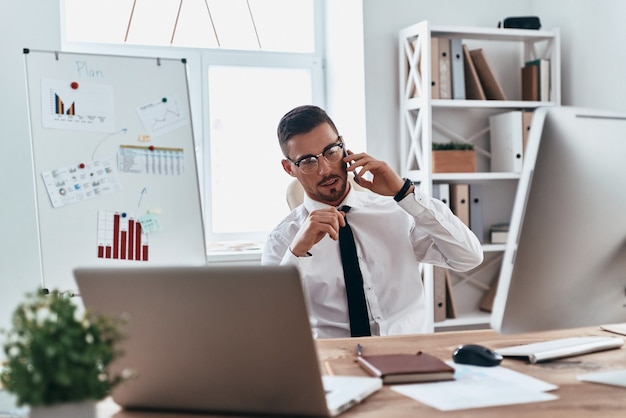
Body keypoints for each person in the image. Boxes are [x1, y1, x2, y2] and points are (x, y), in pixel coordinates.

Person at [261, 105, 483, 338]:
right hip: (335, 363)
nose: (325, 169)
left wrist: (405, 192)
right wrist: (298, 252)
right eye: (307, 161)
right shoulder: (283, 239)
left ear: (344, 147)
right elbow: (271, 319)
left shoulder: (397, 211)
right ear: (289, 168)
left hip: (410, 354)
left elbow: (468, 257)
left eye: (331, 152)